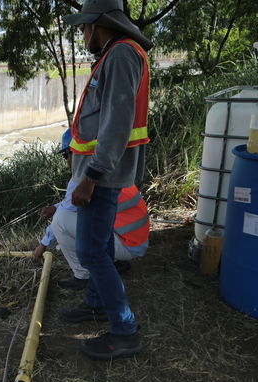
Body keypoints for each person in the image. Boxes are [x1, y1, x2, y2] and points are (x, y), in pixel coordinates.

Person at [61, 0, 153, 360]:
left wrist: (91, 176)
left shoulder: (121, 56)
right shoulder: (116, 54)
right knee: (96, 248)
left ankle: (125, 330)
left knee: (91, 252)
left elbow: (117, 122)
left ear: (99, 24)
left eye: (84, 27)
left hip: (102, 176)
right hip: (98, 173)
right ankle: (96, 301)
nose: (82, 34)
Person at [34, 130, 149, 291]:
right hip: (135, 242)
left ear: (76, 153)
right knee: (69, 215)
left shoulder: (82, 180)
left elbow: (65, 213)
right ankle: (115, 263)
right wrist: (55, 207)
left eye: (66, 154)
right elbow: (72, 203)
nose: (66, 160)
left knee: (60, 221)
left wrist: (43, 245)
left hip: (125, 245)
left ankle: (82, 275)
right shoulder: (109, 168)